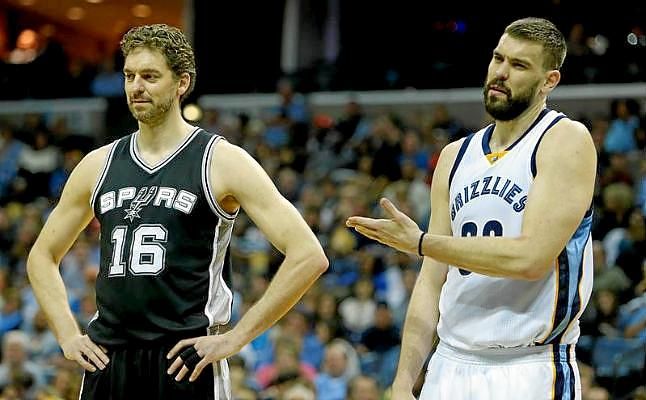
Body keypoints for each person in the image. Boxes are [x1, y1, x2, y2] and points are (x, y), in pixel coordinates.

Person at [27, 24, 328, 400]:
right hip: (108, 358)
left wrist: (236, 338)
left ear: (181, 82)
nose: (136, 87)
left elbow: (308, 255)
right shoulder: (97, 164)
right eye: (129, 76)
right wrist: (67, 335)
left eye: (150, 76)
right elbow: (41, 256)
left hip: (184, 360)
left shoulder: (221, 160)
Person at [347, 17, 596, 400]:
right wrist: (403, 381)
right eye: (498, 58)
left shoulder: (564, 140)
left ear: (549, 81)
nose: (501, 72)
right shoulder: (454, 156)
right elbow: (432, 281)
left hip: (528, 366)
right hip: (449, 365)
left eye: (519, 65)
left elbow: (530, 259)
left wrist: (422, 243)